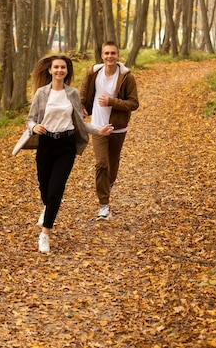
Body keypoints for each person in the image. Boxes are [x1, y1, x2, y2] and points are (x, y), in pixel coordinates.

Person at [14, 55, 113, 253]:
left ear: (67, 71)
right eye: (56, 67)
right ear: (50, 70)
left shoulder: (72, 93)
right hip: (46, 144)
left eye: (63, 68)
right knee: (44, 186)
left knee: (56, 188)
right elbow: (30, 120)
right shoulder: (41, 93)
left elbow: (79, 122)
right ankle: (47, 207)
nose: (60, 70)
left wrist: (98, 131)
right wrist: (35, 127)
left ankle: (45, 233)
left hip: (66, 145)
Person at [80, 41, 139, 220]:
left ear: (118, 55)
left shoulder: (127, 76)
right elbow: (84, 93)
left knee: (112, 166)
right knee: (101, 164)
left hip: (117, 128)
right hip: (98, 126)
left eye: (113, 53)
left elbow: (134, 103)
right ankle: (104, 206)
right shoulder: (93, 73)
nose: (109, 57)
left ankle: (108, 184)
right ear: (102, 55)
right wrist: (83, 107)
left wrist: (112, 101)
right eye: (106, 53)